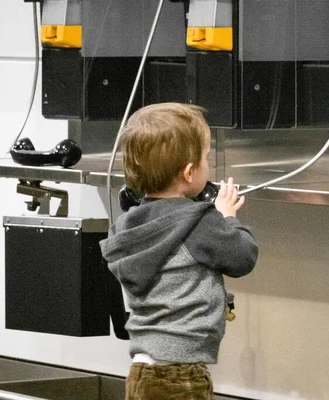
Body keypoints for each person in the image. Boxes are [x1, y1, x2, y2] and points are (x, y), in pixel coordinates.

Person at [99, 102, 259, 400]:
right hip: (181, 375)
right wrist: (228, 216)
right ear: (189, 172)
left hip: (141, 371)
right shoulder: (198, 223)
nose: (208, 165)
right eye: (206, 158)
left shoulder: (128, 226)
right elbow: (242, 257)